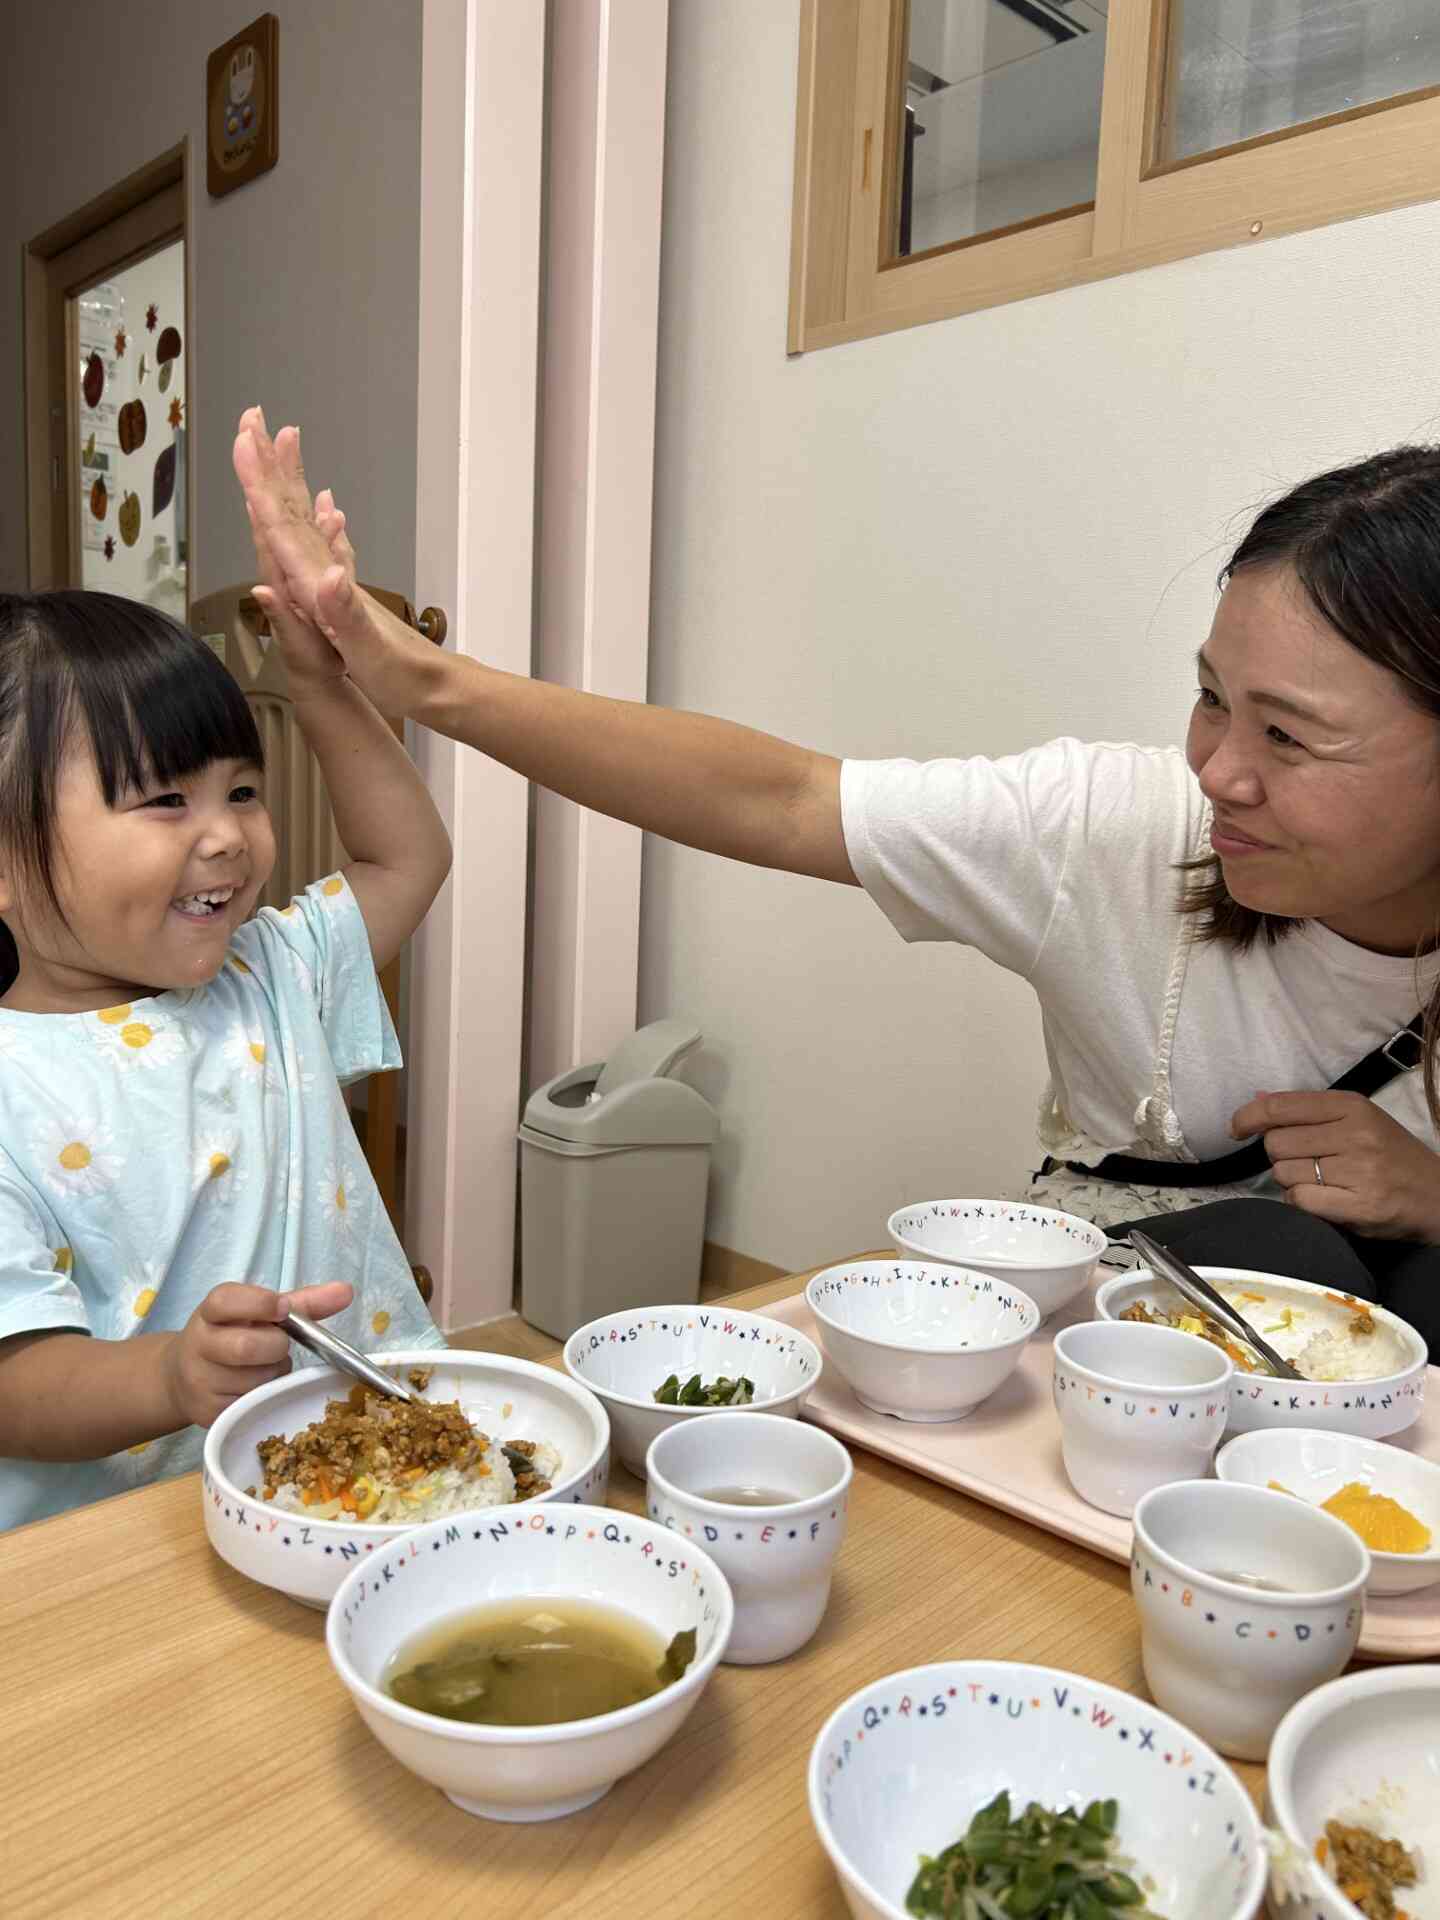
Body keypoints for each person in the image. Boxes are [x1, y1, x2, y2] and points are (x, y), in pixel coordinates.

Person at [236, 413, 1440, 1352]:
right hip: (1115, 1302)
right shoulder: (1124, 829)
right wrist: (420, 680)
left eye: (1288, 738)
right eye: (1212, 700)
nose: (1221, 772)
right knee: (1291, 1255)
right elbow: (789, 799)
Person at [0, 448, 452, 1529]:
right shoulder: (12, 1091)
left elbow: (407, 862)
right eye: (163, 800)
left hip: (371, 1470)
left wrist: (317, 681)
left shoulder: (273, 969)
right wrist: (168, 1379)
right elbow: (13, 1383)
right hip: (136, 1536)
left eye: (242, 790)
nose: (227, 836)